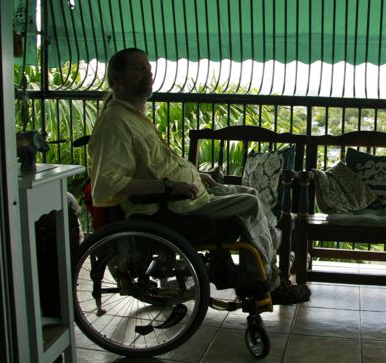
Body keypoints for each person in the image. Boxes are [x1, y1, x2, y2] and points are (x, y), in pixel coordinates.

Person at [88, 47, 310, 305]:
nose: (148, 75)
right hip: (172, 207)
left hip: (188, 195)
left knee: (250, 193)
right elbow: (108, 183)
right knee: (250, 204)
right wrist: (170, 187)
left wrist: (196, 174)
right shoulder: (115, 122)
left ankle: (266, 270)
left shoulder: (133, 116)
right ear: (117, 79)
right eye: (138, 69)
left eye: (148, 69)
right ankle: (267, 283)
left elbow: (155, 164)